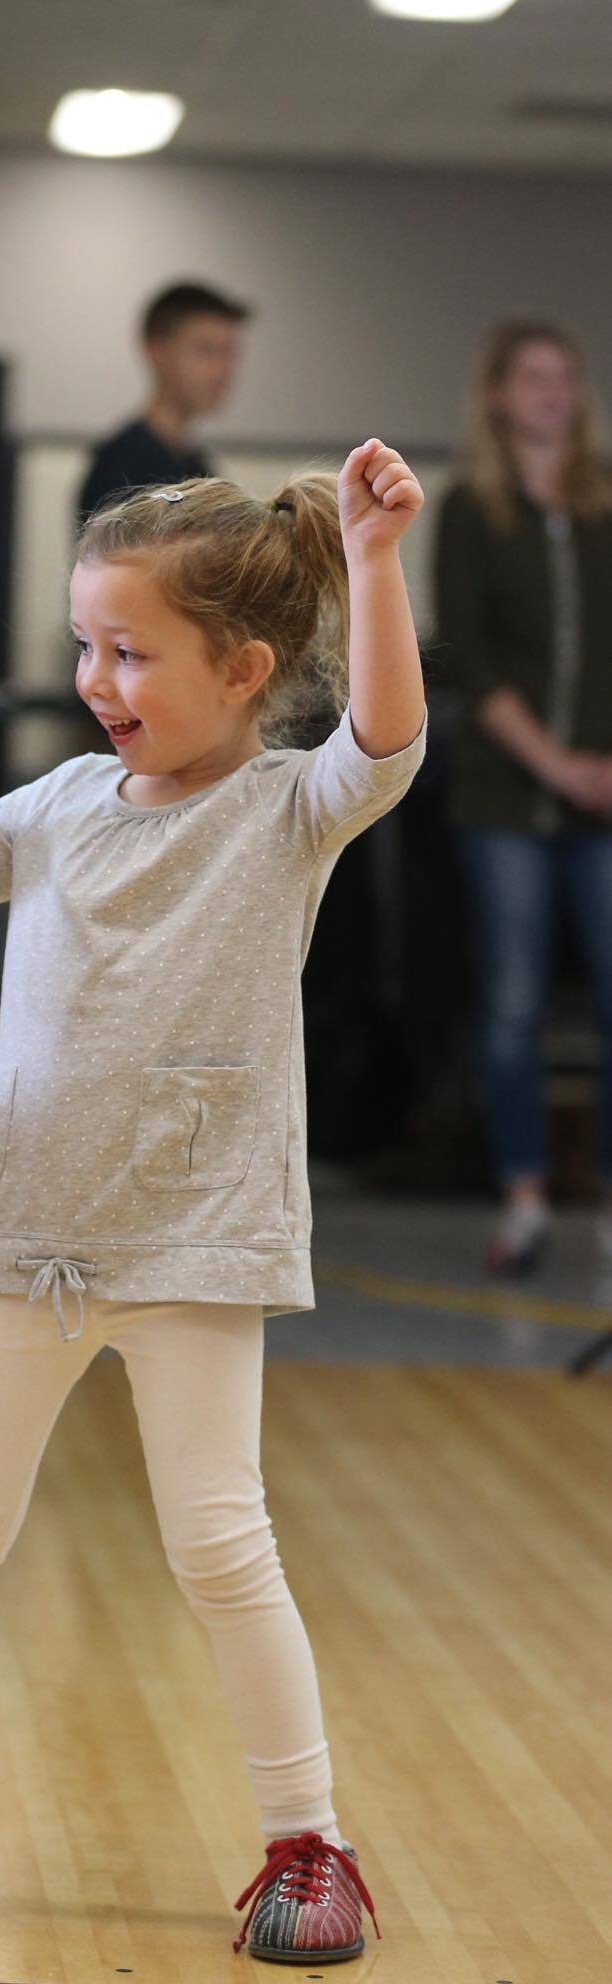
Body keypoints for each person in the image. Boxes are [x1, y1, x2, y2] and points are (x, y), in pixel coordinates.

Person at [0, 440, 428, 1966]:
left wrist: (375, 567)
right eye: (85, 644)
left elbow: (384, 742)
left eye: (131, 651)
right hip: (28, 1239)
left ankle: (307, 1842)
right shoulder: (60, 799)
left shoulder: (284, 812)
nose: (96, 674)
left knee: (218, 1546)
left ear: (246, 669)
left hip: (194, 1243)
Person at [435, 320, 612, 1276]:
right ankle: (525, 1193)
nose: (552, 394)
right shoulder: (470, 510)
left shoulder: (604, 504)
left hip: (603, 801)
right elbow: (472, 657)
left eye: (565, 378)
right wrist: (556, 764)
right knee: (512, 1003)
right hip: (506, 800)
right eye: (532, 378)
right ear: (498, 396)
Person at [77, 281, 250, 521]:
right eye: (206, 350)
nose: (223, 370)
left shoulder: (199, 467)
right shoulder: (121, 468)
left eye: (229, 353)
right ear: (157, 352)